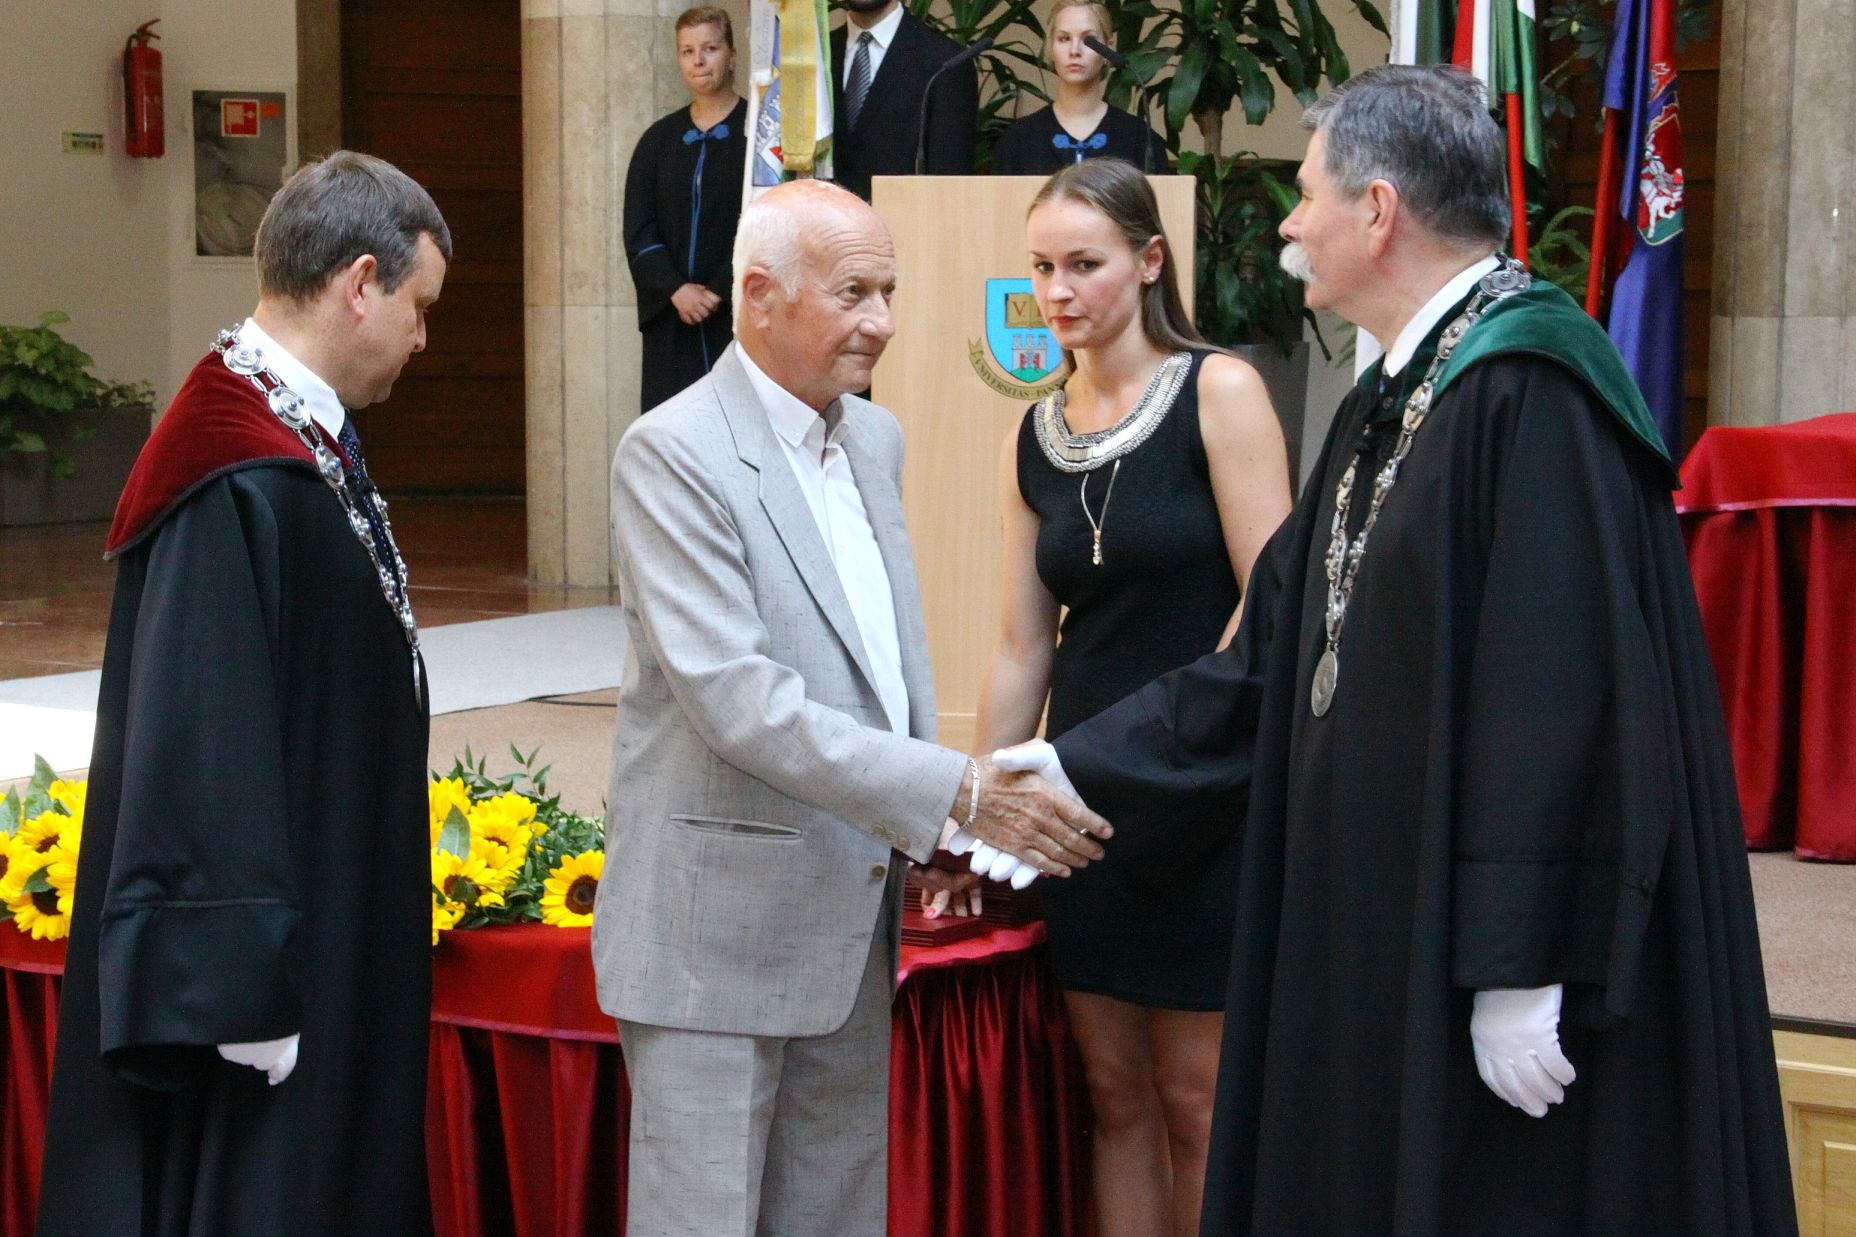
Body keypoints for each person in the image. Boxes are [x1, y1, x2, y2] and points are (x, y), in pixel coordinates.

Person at [1003, 65, 1798, 1234]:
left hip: (1503, 957)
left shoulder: (1526, 386)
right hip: (1392, 921)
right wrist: (1072, 766)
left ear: (1377, 210)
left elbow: (1558, 694)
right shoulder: (1389, 398)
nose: (1286, 224)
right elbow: (1267, 658)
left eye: (1305, 193)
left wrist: (1519, 962)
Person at [592, 178, 1112, 1235]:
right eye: (852, 293)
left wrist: (930, 834)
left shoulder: (874, 439)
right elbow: (736, 699)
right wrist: (956, 790)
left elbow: (882, 656)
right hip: (711, 942)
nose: (881, 321)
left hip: (850, 925)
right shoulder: (671, 452)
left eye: (889, 292)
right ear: (758, 294)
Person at [37, 151, 449, 1234]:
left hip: (330, 902)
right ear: (360, 284)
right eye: (418, 307)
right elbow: (201, 739)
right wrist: (232, 982)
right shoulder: (231, 464)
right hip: (269, 987)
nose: (422, 337)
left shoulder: (296, 431)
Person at [960, 157, 1288, 1235]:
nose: (1057, 291)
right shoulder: (1032, 433)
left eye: (1084, 264)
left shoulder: (1219, 390)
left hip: (1205, 786)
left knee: (1198, 1099)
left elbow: (1270, 604)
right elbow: (1022, 645)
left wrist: (1172, 742)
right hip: (1079, 801)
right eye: (1041, 268)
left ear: (1149, 262)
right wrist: (978, 808)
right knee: (1113, 1097)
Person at [624, 7, 748, 413]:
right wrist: (676, 290)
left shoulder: (757, 135)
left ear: (732, 54)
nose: (699, 61)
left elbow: (766, 221)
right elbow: (639, 229)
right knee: (672, 424)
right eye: (687, 51)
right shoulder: (657, 141)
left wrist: (719, 289)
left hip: (735, 314)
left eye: (710, 48)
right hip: (672, 316)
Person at [829, 0, 979, 201]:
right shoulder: (814, 56)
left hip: (904, 217)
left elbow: (949, 184)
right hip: (817, 216)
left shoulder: (946, 63)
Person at [991, 2, 1155, 175]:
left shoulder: (1139, 138)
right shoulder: (1018, 139)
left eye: (1088, 40)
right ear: (1051, 48)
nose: (1074, 51)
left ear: (1108, 49)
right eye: (1064, 39)